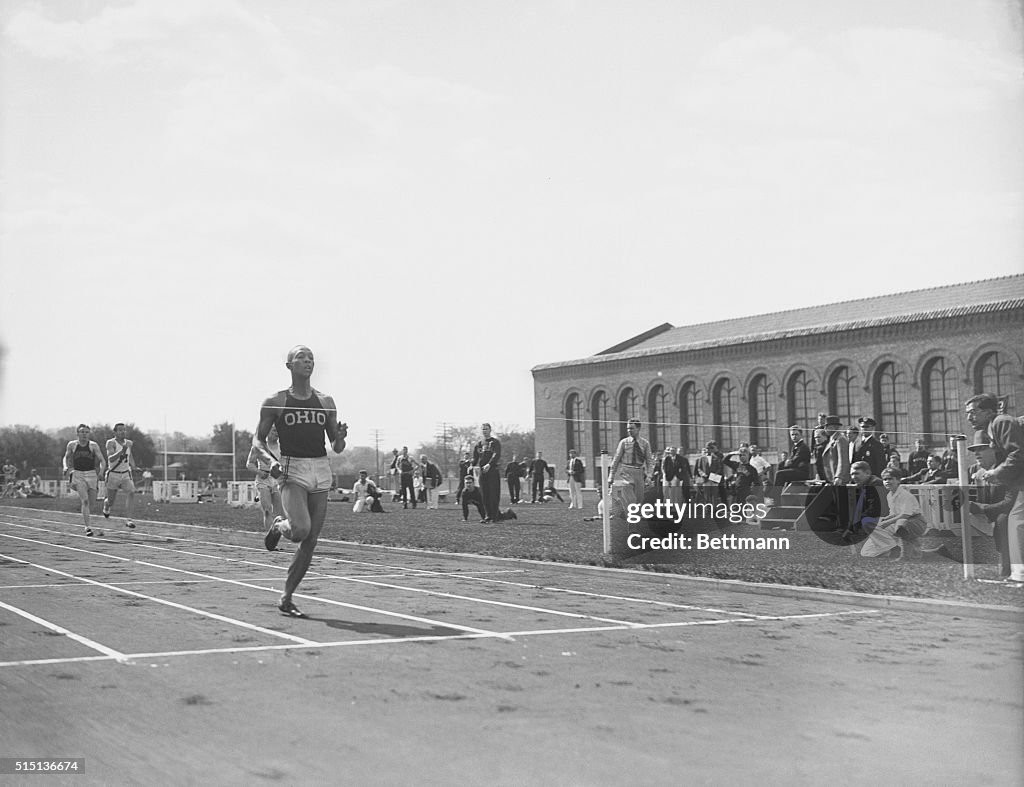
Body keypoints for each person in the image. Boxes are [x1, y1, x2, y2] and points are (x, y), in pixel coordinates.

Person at [255, 345, 347, 618]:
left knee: (310, 540)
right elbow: (257, 440)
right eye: (301, 358)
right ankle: (279, 525)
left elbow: (337, 446)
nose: (307, 362)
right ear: (289, 365)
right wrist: (271, 460)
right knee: (300, 530)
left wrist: (341, 436)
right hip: (291, 468)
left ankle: (287, 596)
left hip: (320, 468)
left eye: (311, 359)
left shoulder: (326, 401)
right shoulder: (276, 401)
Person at [966, 393, 1024, 583]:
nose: (969, 417)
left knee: (1016, 521)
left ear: (989, 411)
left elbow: (1017, 453)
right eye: (968, 413)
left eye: (974, 412)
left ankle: (1019, 574)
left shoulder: (1001, 422)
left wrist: (995, 473)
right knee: (1015, 520)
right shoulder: (995, 428)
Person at [860, 468, 928, 559]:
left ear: (898, 480)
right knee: (866, 551)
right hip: (900, 521)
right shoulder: (889, 495)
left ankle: (899, 551)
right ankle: (892, 549)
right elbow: (895, 513)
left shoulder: (904, 495)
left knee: (901, 523)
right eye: (885, 479)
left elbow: (905, 515)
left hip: (915, 522)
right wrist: (886, 519)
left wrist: (887, 522)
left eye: (890, 479)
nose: (887, 481)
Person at [63, 425, 107, 536]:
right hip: (78, 474)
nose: (84, 434)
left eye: (86, 432)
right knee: (85, 500)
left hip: (91, 475)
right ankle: (87, 527)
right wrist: (65, 467)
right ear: (77, 433)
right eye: (82, 432)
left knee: (92, 503)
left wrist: (101, 471)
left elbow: (102, 460)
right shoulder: (72, 445)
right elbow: (66, 457)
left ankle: (86, 515)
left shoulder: (93, 445)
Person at [608, 418, 653, 522]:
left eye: (632, 428)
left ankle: (632, 519)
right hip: (626, 472)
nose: (629, 431)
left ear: (638, 428)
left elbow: (649, 461)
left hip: (639, 473)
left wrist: (649, 476)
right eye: (628, 429)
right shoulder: (624, 443)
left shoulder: (645, 443)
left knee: (638, 500)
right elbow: (616, 459)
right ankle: (632, 525)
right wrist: (611, 475)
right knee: (631, 500)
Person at [246, 425, 284, 532]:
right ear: (267, 432)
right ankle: (270, 536)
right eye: (273, 431)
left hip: (277, 481)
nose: (275, 434)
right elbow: (249, 464)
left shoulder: (283, 447)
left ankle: (275, 537)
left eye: (277, 431)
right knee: (267, 510)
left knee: (279, 514)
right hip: (263, 479)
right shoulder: (259, 447)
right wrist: (259, 472)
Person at [102, 422, 137, 529]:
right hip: (113, 474)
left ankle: (129, 520)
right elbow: (111, 458)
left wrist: (134, 466)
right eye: (120, 430)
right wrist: (122, 449)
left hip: (125, 473)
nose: (123, 432)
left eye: (124, 430)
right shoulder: (111, 443)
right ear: (115, 432)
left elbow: (129, 456)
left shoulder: (129, 443)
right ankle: (106, 505)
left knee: (131, 492)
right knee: (111, 501)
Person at [472, 423, 502, 522]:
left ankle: (495, 516)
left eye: (486, 429)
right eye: (483, 429)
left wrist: (489, 464)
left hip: (492, 471)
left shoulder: (495, 442)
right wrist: (471, 465)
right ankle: (488, 515)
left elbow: (496, 454)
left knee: (493, 494)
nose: (484, 431)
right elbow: (475, 458)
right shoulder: (479, 444)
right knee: (484, 494)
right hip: (482, 473)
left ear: (490, 430)